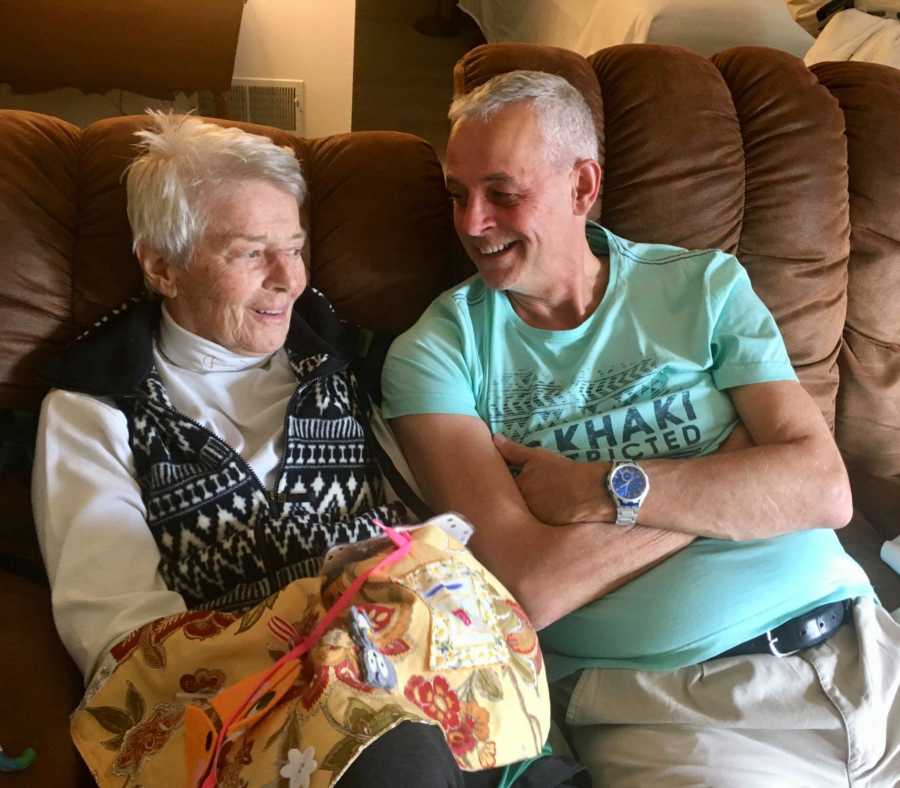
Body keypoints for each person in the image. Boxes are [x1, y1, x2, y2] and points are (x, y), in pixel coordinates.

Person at [32, 113, 584, 787]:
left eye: (294, 247)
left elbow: (458, 521)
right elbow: (120, 637)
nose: (286, 279)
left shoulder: (358, 362)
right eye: (248, 252)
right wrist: (319, 636)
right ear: (161, 266)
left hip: (434, 688)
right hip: (252, 724)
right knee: (391, 752)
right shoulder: (96, 407)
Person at [381, 70, 900, 786]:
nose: (472, 223)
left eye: (503, 194)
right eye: (457, 194)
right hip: (678, 713)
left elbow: (823, 490)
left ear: (582, 186)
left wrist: (609, 490)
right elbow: (529, 588)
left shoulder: (704, 286)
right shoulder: (437, 355)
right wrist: (734, 474)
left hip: (866, 647)